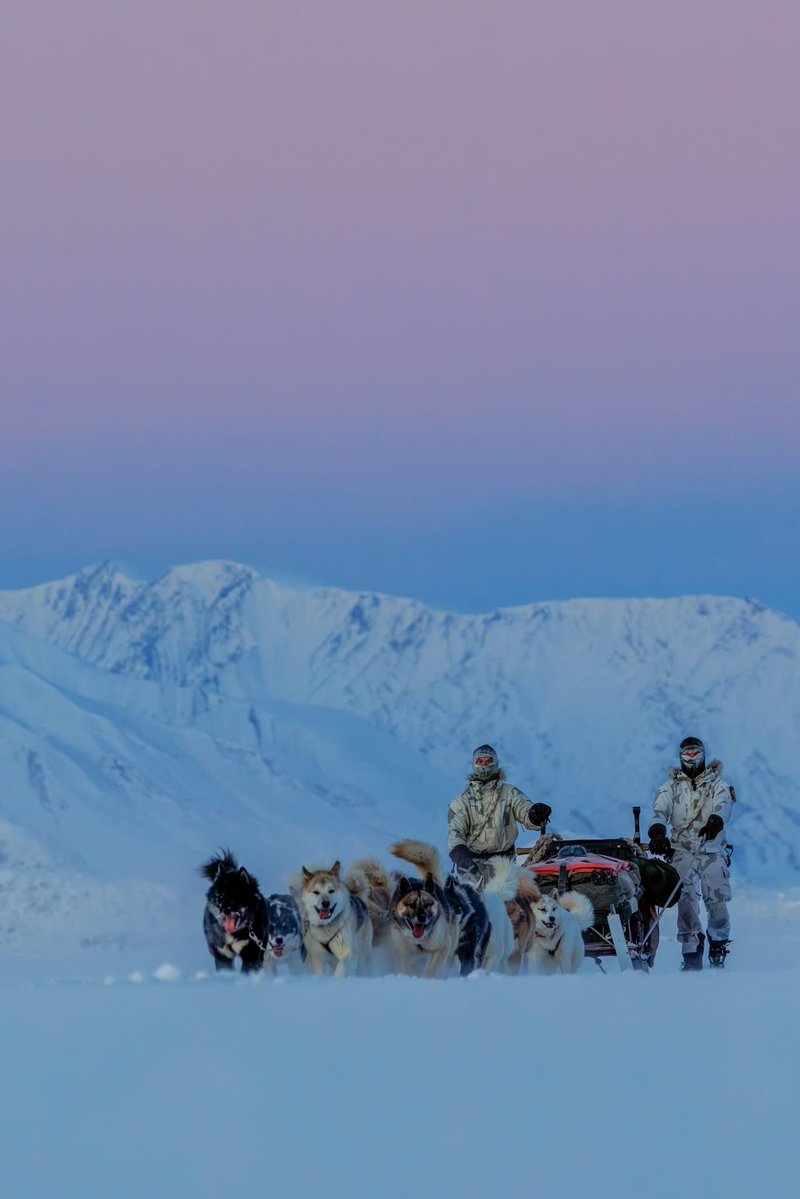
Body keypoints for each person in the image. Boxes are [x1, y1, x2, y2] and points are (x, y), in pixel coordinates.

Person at [648, 736, 734, 971]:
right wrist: (657, 831)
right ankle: (691, 948)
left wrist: (716, 820)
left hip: (711, 847)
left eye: (696, 753)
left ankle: (718, 941)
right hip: (682, 849)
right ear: (680, 756)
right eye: (687, 754)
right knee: (683, 897)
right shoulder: (671, 787)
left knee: (717, 897)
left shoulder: (718, 784)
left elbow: (723, 804)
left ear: (703, 754)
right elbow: (660, 809)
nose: (692, 758)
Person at [448, 744, 552, 876]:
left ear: (495, 763)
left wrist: (534, 814)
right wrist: (462, 858)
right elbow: (455, 833)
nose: (484, 765)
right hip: (472, 868)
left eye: (488, 760)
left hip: (505, 866)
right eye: (480, 761)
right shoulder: (462, 802)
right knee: (474, 897)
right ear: (474, 764)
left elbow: (525, 811)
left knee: (511, 896)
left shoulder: (510, 794)